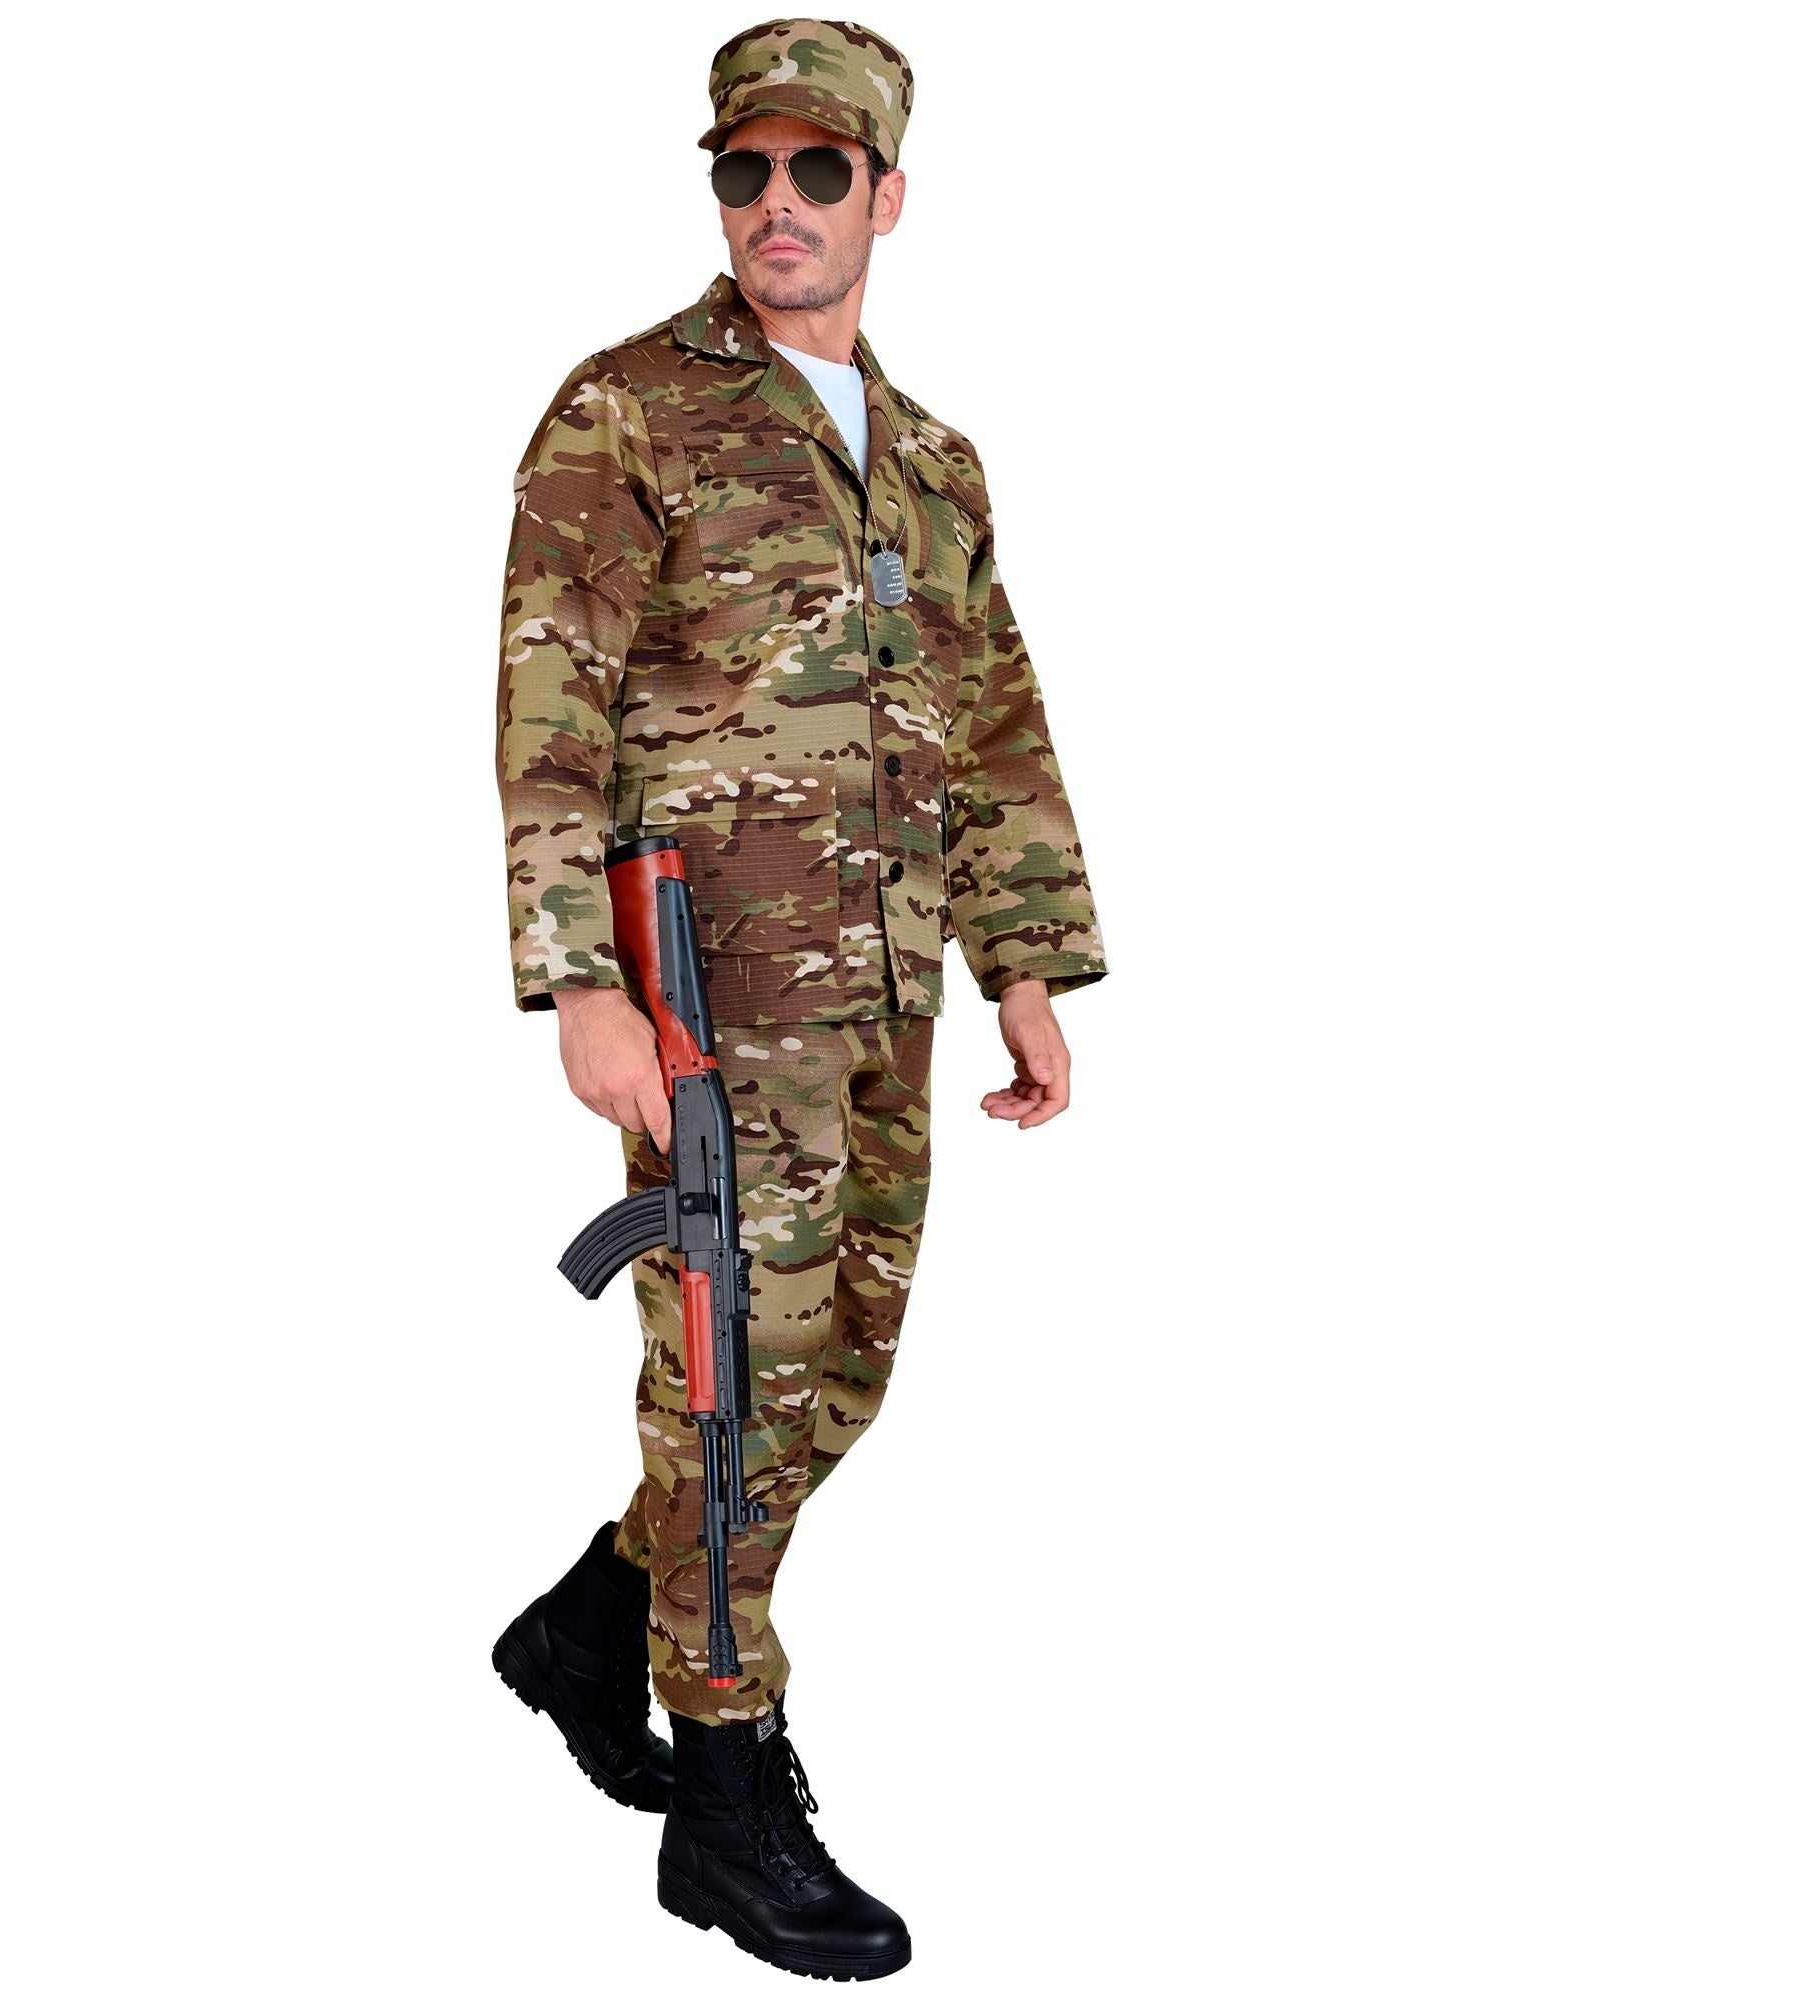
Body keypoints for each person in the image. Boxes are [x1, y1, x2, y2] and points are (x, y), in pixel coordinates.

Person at [490, 17, 1108, 1980]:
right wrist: (576, 981)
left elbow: (994, 721)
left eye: (816, 172)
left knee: (840, 1373)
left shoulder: (931, 463)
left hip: (889, 993)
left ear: (885, 197)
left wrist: (1024, 964)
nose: (776, 204)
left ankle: (595, 1617)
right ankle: (726, 1791)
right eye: (743, 171)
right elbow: (546, 706)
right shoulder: (627, 412)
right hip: (707, 996)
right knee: (730, 1382)